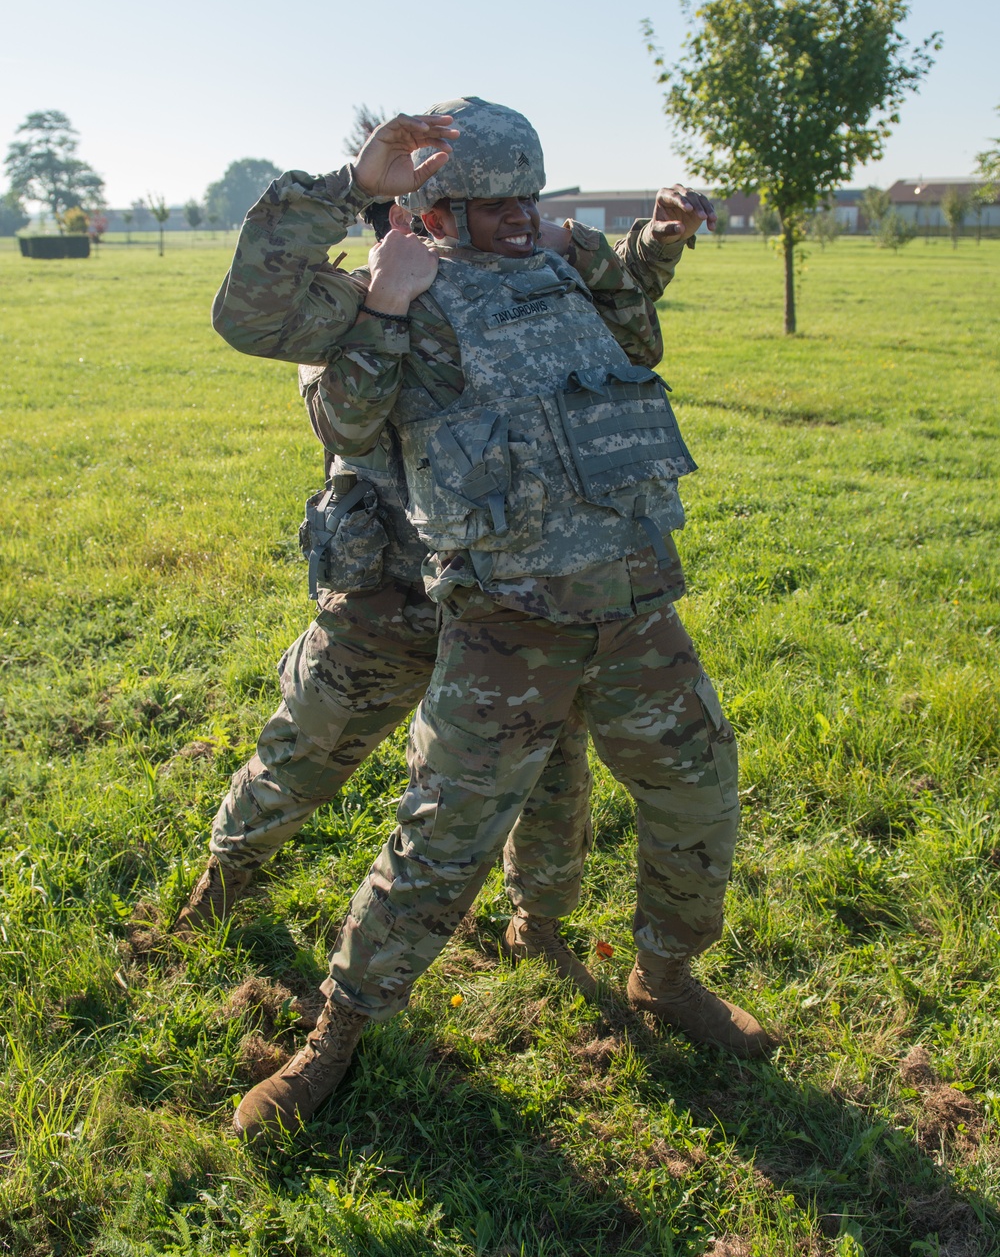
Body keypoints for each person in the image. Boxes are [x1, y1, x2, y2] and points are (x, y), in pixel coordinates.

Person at [232, 99, 772, 1143]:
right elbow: (263, 331)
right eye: (489, 205)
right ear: (431, 210)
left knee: (699, 799)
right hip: (504, 627)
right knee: (440, 845)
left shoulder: (563, 270)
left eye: (527, 197)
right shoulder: (397, 294)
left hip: (635, 605)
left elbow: (638, 340)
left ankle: (665, 976)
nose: (517, 219)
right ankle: (333, 1037)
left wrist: (629, 251)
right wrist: (368, 245)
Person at [177, 141, 688, 990]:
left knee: (551, 769)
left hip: (511, 589)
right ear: (408, 224)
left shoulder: (510, 279)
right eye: (412, 214)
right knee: (312, 744)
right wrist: (379, 286)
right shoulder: (363, 298)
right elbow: (319, 387)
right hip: (394, 594)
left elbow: (607, 321)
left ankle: (540, 923)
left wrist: (648, 245)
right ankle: (223, 880)